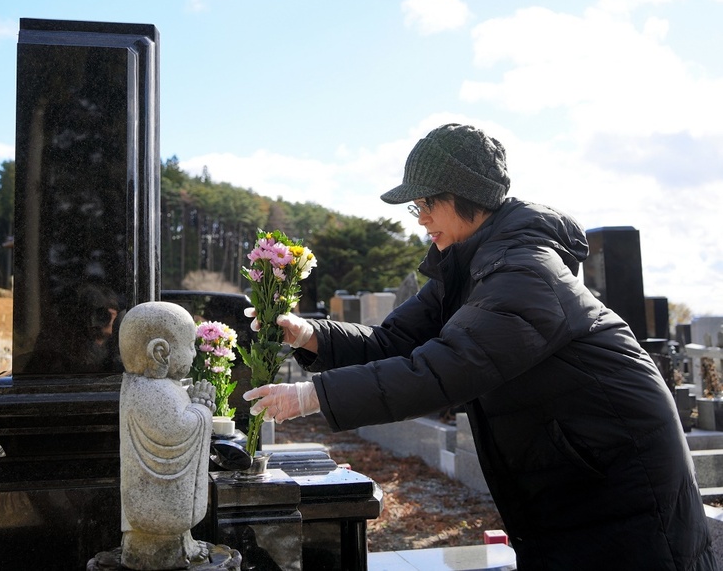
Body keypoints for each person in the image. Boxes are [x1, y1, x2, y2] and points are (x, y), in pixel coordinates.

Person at [243, 123, 716, 570]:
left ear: (468, 198)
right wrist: (309, 334)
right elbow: (395, 342)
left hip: (620, 489)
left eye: (427, 202)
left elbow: (445, 369)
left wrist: (312, 396)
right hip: (571, 484)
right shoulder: (467, 268)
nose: (421, 217)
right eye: (416, 207)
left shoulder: (525, 271)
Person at [118, 301, 216, 569]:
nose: (195, 354)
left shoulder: (157, 386)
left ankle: (183, 544)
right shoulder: (151, 391)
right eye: (191, 346)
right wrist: (202, 409)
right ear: (160, 353)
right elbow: (177, 429)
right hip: (157, 508)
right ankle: (163, 553)